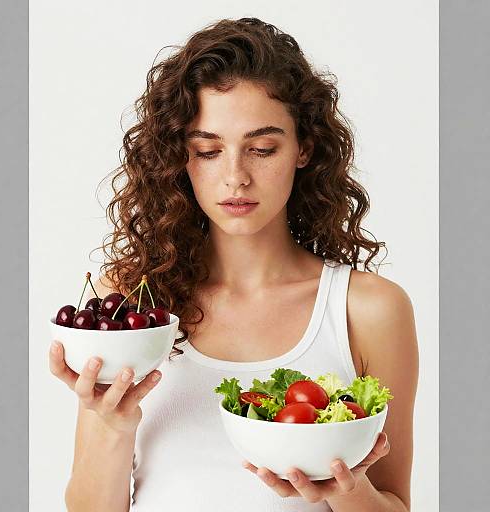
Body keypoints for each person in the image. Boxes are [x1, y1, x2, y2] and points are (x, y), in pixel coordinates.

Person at [49, 17, 419, 512]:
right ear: (180, 157)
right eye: (208, 150)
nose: (236, 177)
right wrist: (112, 423)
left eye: (262, 149)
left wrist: (349, 490)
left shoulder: (368, 309)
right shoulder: (130, 304)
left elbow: (395, 502)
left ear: (304, 149)